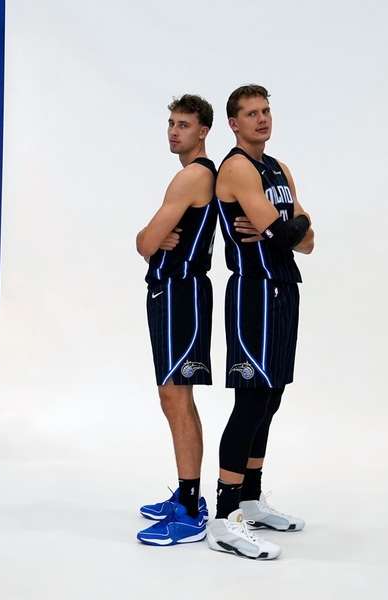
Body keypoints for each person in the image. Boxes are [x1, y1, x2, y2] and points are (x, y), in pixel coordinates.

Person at [205, 84, 314, 560]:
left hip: (285, 288)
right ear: (234, 123)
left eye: (266, 111)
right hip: (253, 290)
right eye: (251, 113)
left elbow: (304, 239)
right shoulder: (235, 167)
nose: (262, 119)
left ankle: (251, 496)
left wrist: (284, 227)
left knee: (272, 397)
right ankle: (225, 518)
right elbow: (285, 227)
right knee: (250, 399)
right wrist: (283, 226)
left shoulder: (279, 168)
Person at [135, 94, 218, 546]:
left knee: (176, 396)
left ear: (203, 130)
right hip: (174, 292)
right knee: (175, 396)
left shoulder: (192, 176)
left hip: (181, 292)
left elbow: (147, 242)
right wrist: (149, 238)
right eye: (171, 123)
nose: (173, 131)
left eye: (183, 124)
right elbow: (150, 240)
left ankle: (189, 509)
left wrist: (148, 237)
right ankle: (189, 496)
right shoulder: (190, 176)